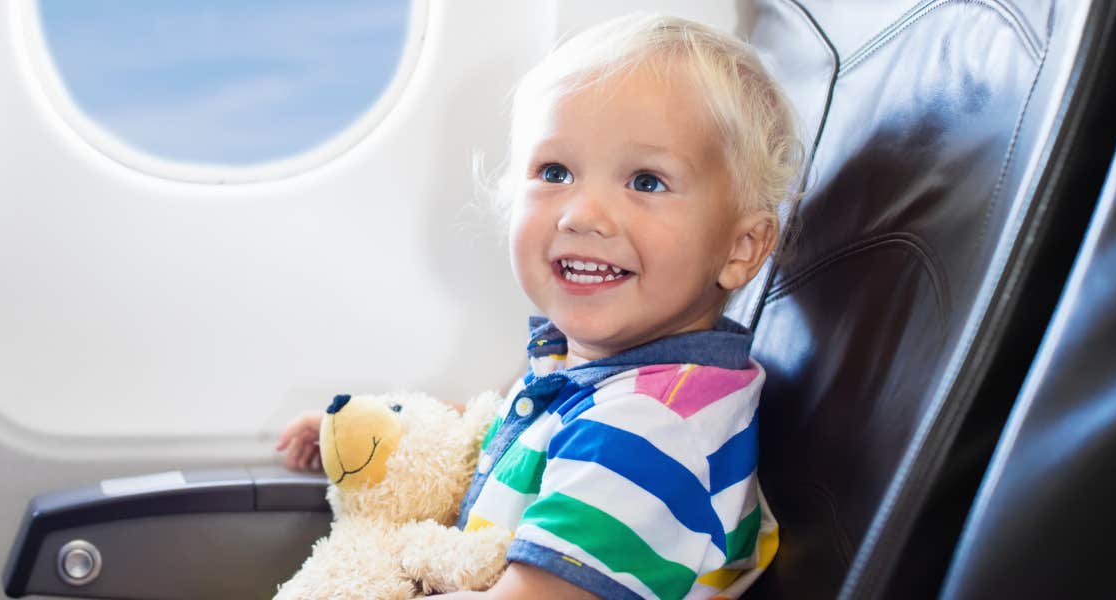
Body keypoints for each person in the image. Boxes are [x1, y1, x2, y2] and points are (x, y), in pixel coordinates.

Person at [277, 12, 803, 600]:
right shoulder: (591, 377)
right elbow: (514, 448)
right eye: (555, 171)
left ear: (741, 246)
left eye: (646, 181)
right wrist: (380, 440)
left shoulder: (647, 432)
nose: (582, 214)